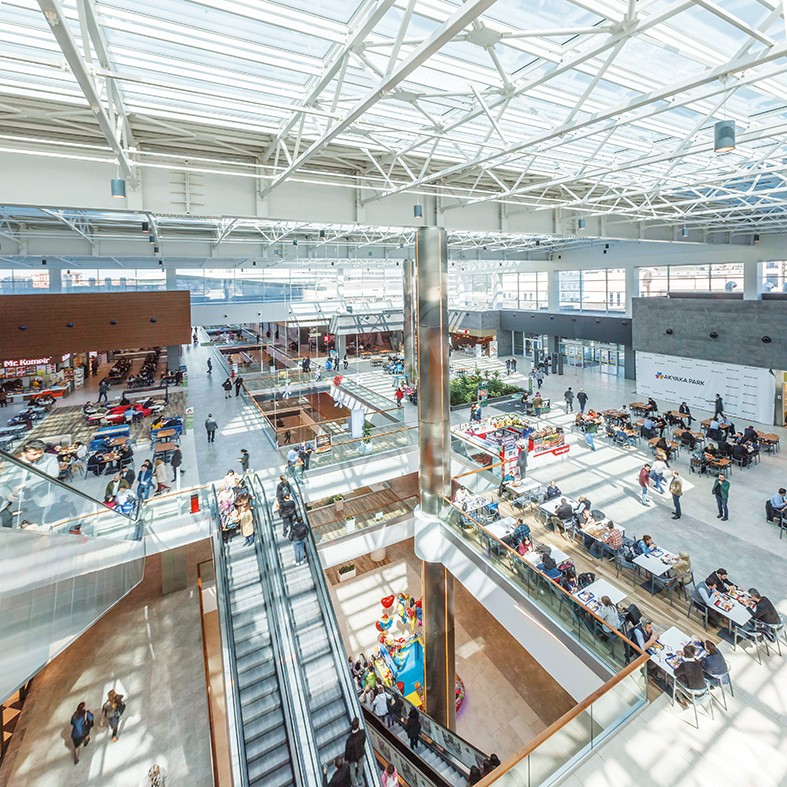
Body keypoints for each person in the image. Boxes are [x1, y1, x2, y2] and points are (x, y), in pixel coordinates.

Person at [344, 717, 367, 787]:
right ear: (358, 725)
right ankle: (360, 779)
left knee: (352, 769)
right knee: (360, 767)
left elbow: (347, 751)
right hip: (360, 753)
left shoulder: (349, 740)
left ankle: (354, 783)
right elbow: (363, 742)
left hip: (352, 757)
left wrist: (346, 759)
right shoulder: (363, 732)